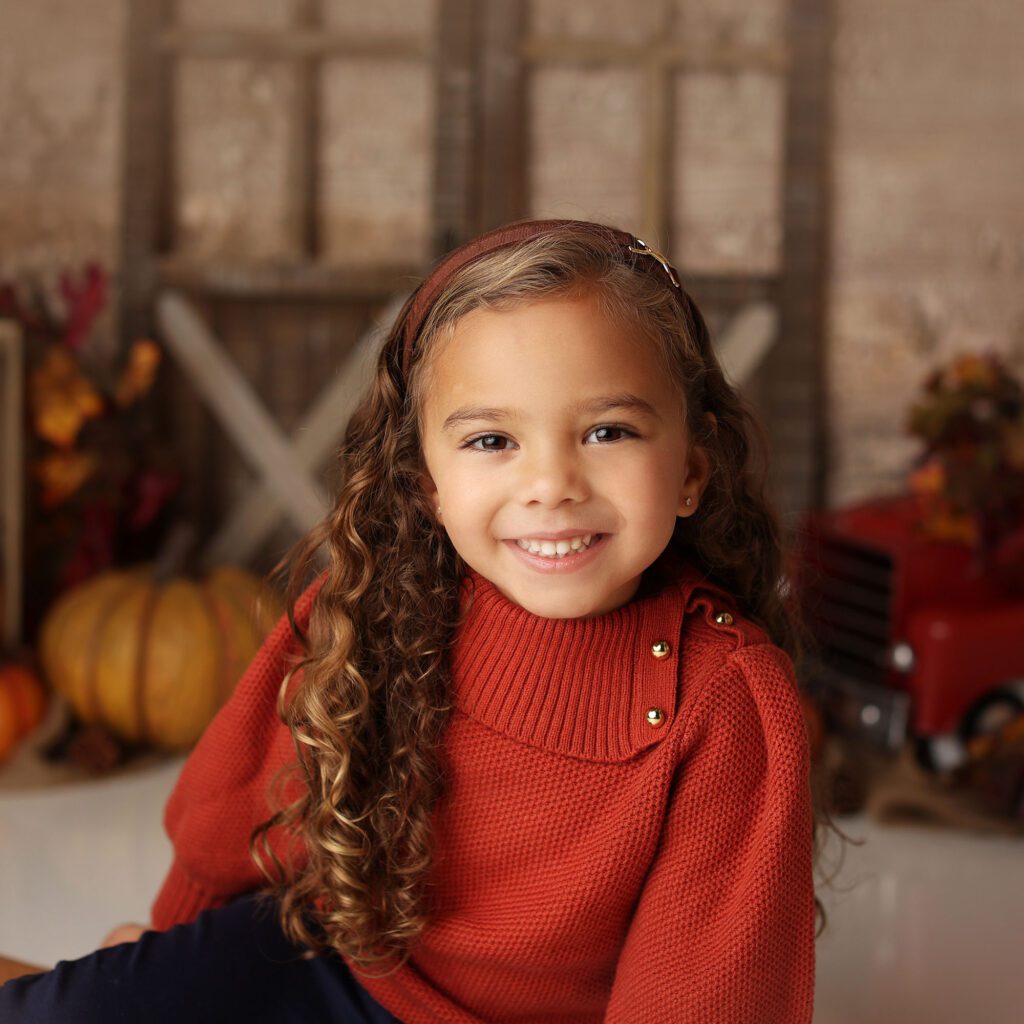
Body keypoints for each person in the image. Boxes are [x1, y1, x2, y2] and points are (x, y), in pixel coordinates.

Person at [0, 219, 821, 1022]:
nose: (551, 484)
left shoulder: (721, 701)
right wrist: (166, 957)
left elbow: (704, 990)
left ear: (690, 471)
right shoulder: (382, 609)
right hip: (331, 961)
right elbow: (238, 804)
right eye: (493, 440)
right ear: (426, 483)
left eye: (609, 431)